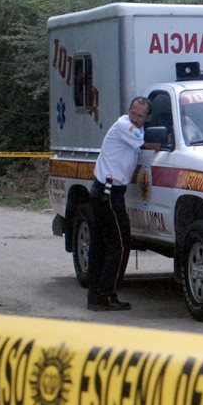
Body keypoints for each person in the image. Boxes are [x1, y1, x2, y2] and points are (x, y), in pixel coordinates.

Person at [87, 96, 160, 312]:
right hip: (108, 195)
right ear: (129, 111)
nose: (135, 118)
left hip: (105, 193)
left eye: (140, 116)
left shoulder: (131, 129)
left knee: (101, 247)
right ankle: (105, 295)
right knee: (119, 246)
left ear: (148, 117)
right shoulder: (124, 126)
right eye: (133, 113)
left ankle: (96, 296)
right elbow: (150, 143)